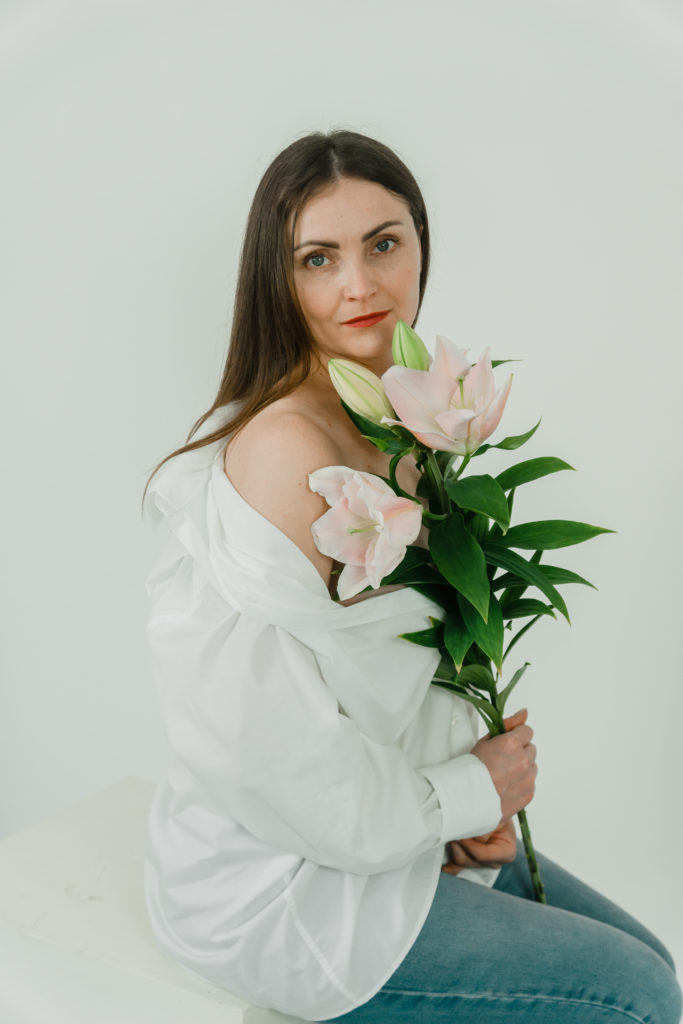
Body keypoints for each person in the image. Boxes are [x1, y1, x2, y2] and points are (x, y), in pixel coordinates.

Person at [141, 130, 681, 1023]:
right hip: (284, 884)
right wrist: (466, 792)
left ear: (421, 245)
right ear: (277, 278)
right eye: (318, 259)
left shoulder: (405, 413)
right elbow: (269, 754)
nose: (360, 285)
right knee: (636, 997)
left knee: (652, 963)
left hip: (388, 831)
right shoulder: (284, 451)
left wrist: (463, 820)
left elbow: (381, 676)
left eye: (383, 244)